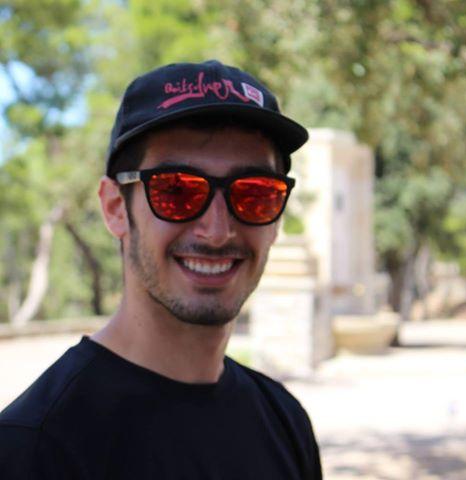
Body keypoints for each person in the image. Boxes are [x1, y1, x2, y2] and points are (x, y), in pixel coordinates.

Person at [0, 60, 322, 479]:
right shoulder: (31, 449)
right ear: (116, 208)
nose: (217, 231)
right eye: (176, 191)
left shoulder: (284, 421)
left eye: (255, 194)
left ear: (276, 220)